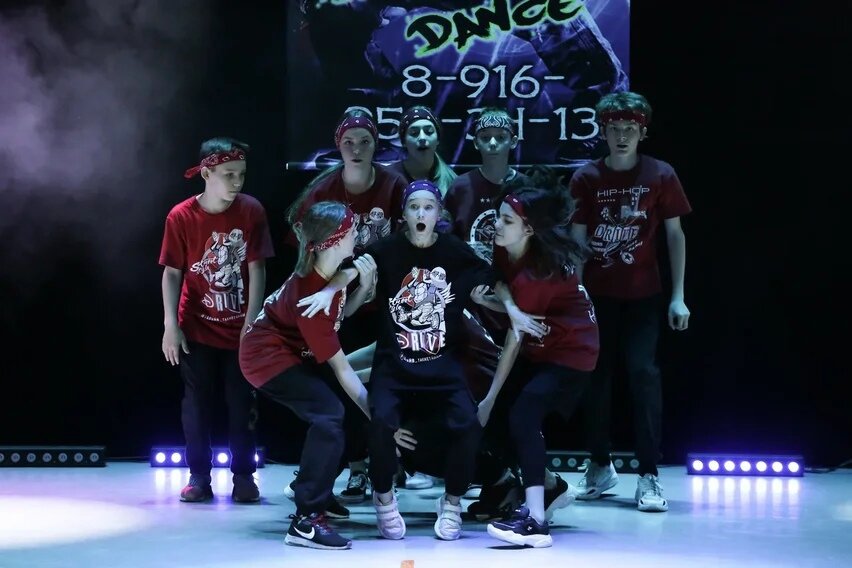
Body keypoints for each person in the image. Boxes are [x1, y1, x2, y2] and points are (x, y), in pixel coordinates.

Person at [569, 91, 691, 512]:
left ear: (642, 132)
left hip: (643, 296)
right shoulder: (586, 177)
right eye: (614, 129)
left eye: (629, 129)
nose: (622, 136)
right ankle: (599, 465)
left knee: (643, 375)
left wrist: (678, 297)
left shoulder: (660, 174)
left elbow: (674, 236)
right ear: (602, 132)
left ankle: (649, 474)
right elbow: (577, 242)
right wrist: (575, 300)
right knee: (594, 379)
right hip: (598, 297)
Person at [286, 108, 408, 503]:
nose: (357, 148)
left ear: (376, 145)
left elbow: (408, 242)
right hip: (339, 307)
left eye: (365, 141)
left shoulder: (393, 185)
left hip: (387, 304)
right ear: (338, 146)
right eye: (349, 142)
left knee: (386, 383)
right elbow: (302, 248)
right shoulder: (322, 191)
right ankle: (355, 468)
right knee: (343, 388)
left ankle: (388, 464)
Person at [360, 179, 492, 541]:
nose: (421, 213)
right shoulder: (385, 250)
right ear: (404, 214)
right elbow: (354, 268)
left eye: (428, 207)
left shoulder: (455, 252)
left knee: (468, 424)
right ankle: (384, 498)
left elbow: (488, 279)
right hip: (394, 366)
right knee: (381, 422)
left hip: (443, 366)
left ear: (439, 214)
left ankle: (452, 503)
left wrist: (500, 300)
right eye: (414, 207)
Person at [470, 186, 598, 547]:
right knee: (499, 420)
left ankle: (536, 522)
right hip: (542, 347)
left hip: (572, 354)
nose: (497, 225)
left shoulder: (538, 275)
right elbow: (500, 279)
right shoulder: (508, 246)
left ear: (528, 229)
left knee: (522, 415)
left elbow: (515, 339)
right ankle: (550, 487)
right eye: (498, 216)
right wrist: (508, 306)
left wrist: (490, 399)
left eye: (506, 220)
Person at [240, 201, 372, 550]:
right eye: (351, 230)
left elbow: (340, 312)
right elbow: (342, 370)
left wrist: (357, 281)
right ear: (334, 240)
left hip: (290, 351)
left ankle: (316, 492)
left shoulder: (327, 273)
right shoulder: (312, 299)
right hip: (265, 358)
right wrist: (381, 420)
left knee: (341, 414)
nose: (357, 234)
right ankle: (306, 518)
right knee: (329, 414)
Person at [159, 137, 274, 503]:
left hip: (239, 328)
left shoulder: (251, 210)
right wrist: (171, 325)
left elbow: (257, 269)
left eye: (241, 174)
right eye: (229, 174)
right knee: (196, 406)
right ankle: (198, 475)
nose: (237, 182)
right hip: (197, 327)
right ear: (206, 173)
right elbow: (172, 272)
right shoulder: (181, 216)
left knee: (242, 405)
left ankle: (244, 475)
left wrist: (252, 323)